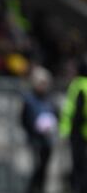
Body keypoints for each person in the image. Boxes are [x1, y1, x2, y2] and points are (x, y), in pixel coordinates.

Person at [20, 66, 58, 193]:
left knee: (44, 168)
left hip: (47, 139)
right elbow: (24, 119)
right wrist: (35, 128)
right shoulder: (29, 100)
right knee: (36, 167)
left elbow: (56, 115)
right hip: (35, 140)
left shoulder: (50, 99)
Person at [59, 59, 87, 193]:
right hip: (82, 131)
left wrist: (65, 130)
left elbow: (71, 109)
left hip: (78, 132)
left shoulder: (77, 85)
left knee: (78, 167)